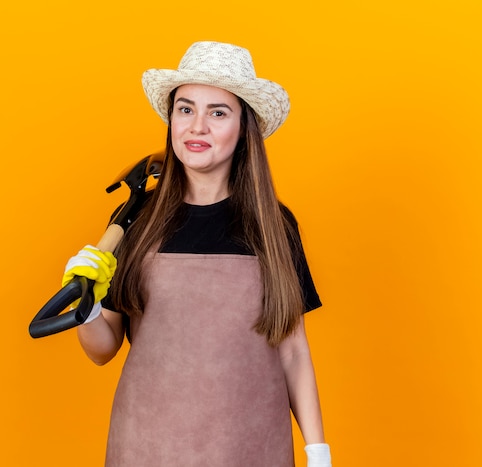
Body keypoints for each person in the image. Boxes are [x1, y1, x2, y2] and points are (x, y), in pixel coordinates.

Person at [63, 41, 332, 467]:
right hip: (147, 446)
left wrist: (319, 453)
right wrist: (89, 303)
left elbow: (293, 349)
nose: (197, 127)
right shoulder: (136, 219)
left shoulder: (274, 225)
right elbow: (101, 350)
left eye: (218, 112)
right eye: (185, 109)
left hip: (252, 446)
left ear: (245, 128)